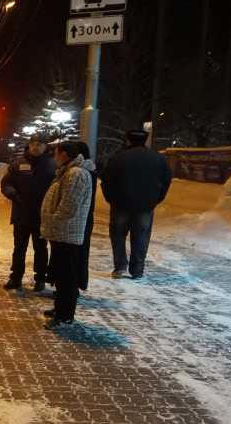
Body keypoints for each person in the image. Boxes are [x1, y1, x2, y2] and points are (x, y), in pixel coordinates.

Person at [100, 130, 173, 279]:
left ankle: (120, 266)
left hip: (120, 204)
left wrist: (111, 198)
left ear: (128, 140)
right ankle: (137, 269)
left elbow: (106, 179)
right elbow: (166, 180)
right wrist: (156, 199)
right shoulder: (157, 158)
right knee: (141, 236)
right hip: (145, 205)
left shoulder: (118, 157)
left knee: (118, 235)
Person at [40, 142, 94, 329]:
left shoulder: (76, 174)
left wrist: (53, 220)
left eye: (56, 153)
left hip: (67, 232)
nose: (54, 157)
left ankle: (65, 315)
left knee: (67, 276)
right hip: (62, 232)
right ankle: (60, 308)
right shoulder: (69, 172)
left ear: (64, 154)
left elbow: (69, 207)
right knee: (61, 275)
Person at [0, 134, 56, 292]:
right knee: (19, 248)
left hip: (42, 215)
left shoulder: (52, 165)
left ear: (46, 146)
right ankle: (16, 277)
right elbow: (6, 182)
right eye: (33, 143)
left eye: (40, 144)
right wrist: (11, 192)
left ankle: (40, 279)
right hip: (21, 213)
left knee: (41, 248)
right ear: (29, 145)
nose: (36, 146)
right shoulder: (19, 163)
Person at [74, 142, 99, 291]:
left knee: (75, 254)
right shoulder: (90, 171)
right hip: (86, 217)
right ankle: (76, 284)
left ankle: (72, 287)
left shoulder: (80, 173)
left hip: (78, 219)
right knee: (81, 253)